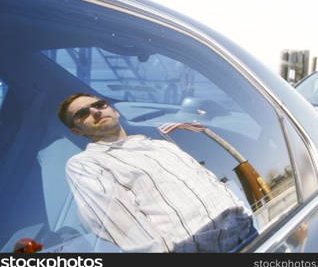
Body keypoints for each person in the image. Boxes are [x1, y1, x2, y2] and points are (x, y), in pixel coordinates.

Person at [57, 93, 257, 252]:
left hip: (251, 233)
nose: (95, 111)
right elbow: (125, 227)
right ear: (77, 131)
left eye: (100, 104)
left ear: (115, 111)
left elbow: (210, 181)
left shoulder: (162, 146)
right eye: (82, 113)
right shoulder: (86, 164)